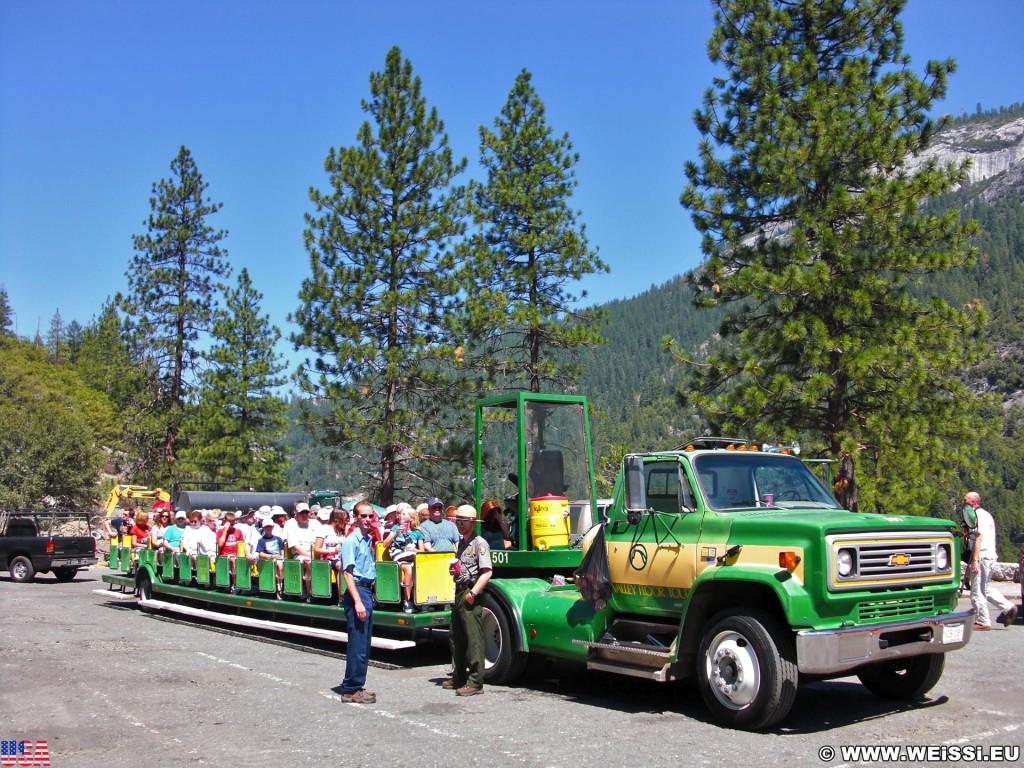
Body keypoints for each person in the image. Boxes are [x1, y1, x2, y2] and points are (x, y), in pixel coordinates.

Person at [443, 504, 492, 696]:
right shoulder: (462, 543)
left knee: (473, 639)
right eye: (458, 521)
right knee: (456, 636)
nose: (460, 525)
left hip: (470, 592)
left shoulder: (479, 543)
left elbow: (487, 572)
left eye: (464, 521)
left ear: (472, 522)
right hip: (459, 590)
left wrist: (473, 593)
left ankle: (475, 681)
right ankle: (459, 676)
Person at [339, 500, 377, 704]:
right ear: (355, 518)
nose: (368, 519)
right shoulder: (350, 541)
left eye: (370, 516)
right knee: (358, 644)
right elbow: (347, 573)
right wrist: (358, 602)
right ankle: (351, 688)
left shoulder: (367, 540)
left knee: (364, 644)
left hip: (366, 591)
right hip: (358, 592)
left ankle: (356, 684)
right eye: (363, 516)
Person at [965, 492, 1018, 629]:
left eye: (966, 501)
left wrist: (974, 560)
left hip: (981, 556)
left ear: (973, 502)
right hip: (990, 555)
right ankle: (1008, 607)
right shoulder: (986, 515)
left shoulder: (975, 516)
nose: (963, 503)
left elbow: (978, 538)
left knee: (977, 591)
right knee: (986, 588)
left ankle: (983, 621)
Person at [381, 506, 426, 612]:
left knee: (418, 566)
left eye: (404, 514)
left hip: (412, 557)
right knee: (409, 567)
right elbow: (385, 544)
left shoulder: (417, 533)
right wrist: (395, 534)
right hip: (398, 556)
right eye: (400, 514)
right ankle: (407, 602)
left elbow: (422, 552)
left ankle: (421, 600)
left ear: (411, 518)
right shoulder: (395, 528)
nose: (400, 516)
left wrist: (414, 550)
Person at [284, 503, 317, 598]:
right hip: (300, 555)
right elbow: (295, 548)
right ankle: (309, 593)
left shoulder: (315, 524)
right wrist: (310, 556)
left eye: (306, 512)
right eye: (302, 512)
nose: (304, 514)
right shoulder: (291, 526)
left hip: (316, 553)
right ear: (296, 514)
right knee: (308, 562)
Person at [255, 517, 286, 595]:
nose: (268, 528)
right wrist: (272, 556)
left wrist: (281, 557)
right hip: (267, 560)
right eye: (266, 527)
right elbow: (260, 554)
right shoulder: (261, 540)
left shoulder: (278, 539)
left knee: (280, 565)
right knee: (277, 564)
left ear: (273, 527)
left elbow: (282, 550)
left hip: (278, 559)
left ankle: (280, 586)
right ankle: (277, 586)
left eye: (270, 526)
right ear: (263, 528)